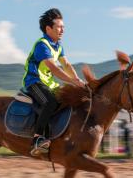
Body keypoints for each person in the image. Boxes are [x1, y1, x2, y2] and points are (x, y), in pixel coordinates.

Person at [22, 8, 85, 156]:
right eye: (59, 27)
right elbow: (54, 68)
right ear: (48, 28)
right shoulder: (42, 45)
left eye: (63, 26)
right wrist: (72, 81)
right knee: (50, 102)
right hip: (34, 82)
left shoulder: (58, 45)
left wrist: (77, 80)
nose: (62, 29)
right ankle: (37, 139)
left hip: (49, 84)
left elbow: (67, 65)